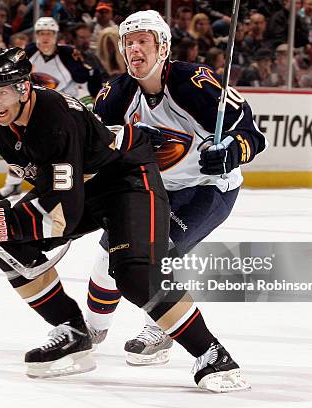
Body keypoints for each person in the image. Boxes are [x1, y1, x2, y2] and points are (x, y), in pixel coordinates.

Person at [0, 46, 247, 392]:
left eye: (2, 92)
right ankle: (73, 331)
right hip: (81, 185)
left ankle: (213, 354)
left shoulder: (54, 120)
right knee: (5, 245)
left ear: (23, 88)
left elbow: (59, 217)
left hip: (127, 179)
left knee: (134, 274)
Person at [86, 10, 265, 387]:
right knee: (108, 254)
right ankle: (89, 330)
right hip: (154, 188)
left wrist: (232, 151)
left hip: (208, 188)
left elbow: (252, 133)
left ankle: (164, 326)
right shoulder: (116, 95)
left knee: (157, 253)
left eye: (144, 41)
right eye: (129, 42)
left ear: (162, 47)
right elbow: (92, 150)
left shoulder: (193, 85)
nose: (135, 49)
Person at [0, 16, 93, 201]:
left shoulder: (68, 53)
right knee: (19, 144)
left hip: (62, 108)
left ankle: (63, 185)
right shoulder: (26, 53)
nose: (45, 38)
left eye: (49, 33)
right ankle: (12, 184)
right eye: (41, 33)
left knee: (60, 149)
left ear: (56, 36)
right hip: (34, 107)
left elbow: (85, 77)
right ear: (36, 36)